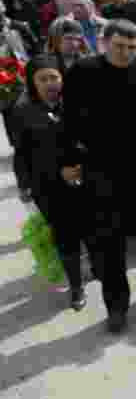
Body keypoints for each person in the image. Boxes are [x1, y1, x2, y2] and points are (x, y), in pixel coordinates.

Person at [61, 20, 136, 333]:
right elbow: (68, 120)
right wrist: (70, 160)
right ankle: (117, 306)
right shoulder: (83, 71)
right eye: (119, 46)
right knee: (109, 241)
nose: (125, 52)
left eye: (130, 47)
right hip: (102, 168)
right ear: (103, 42)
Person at [12, 55, 96, 312]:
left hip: (87, 179)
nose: (50, 83)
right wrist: (25, 185)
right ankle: (76, 285)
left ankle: (97, 267)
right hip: (49, 186)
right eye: (43, 79)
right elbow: (23, 154)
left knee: (93, 228)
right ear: (32, 82)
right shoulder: (24, 112)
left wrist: (84, 166)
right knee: (66, 236)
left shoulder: (76, 103)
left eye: (54, 77)